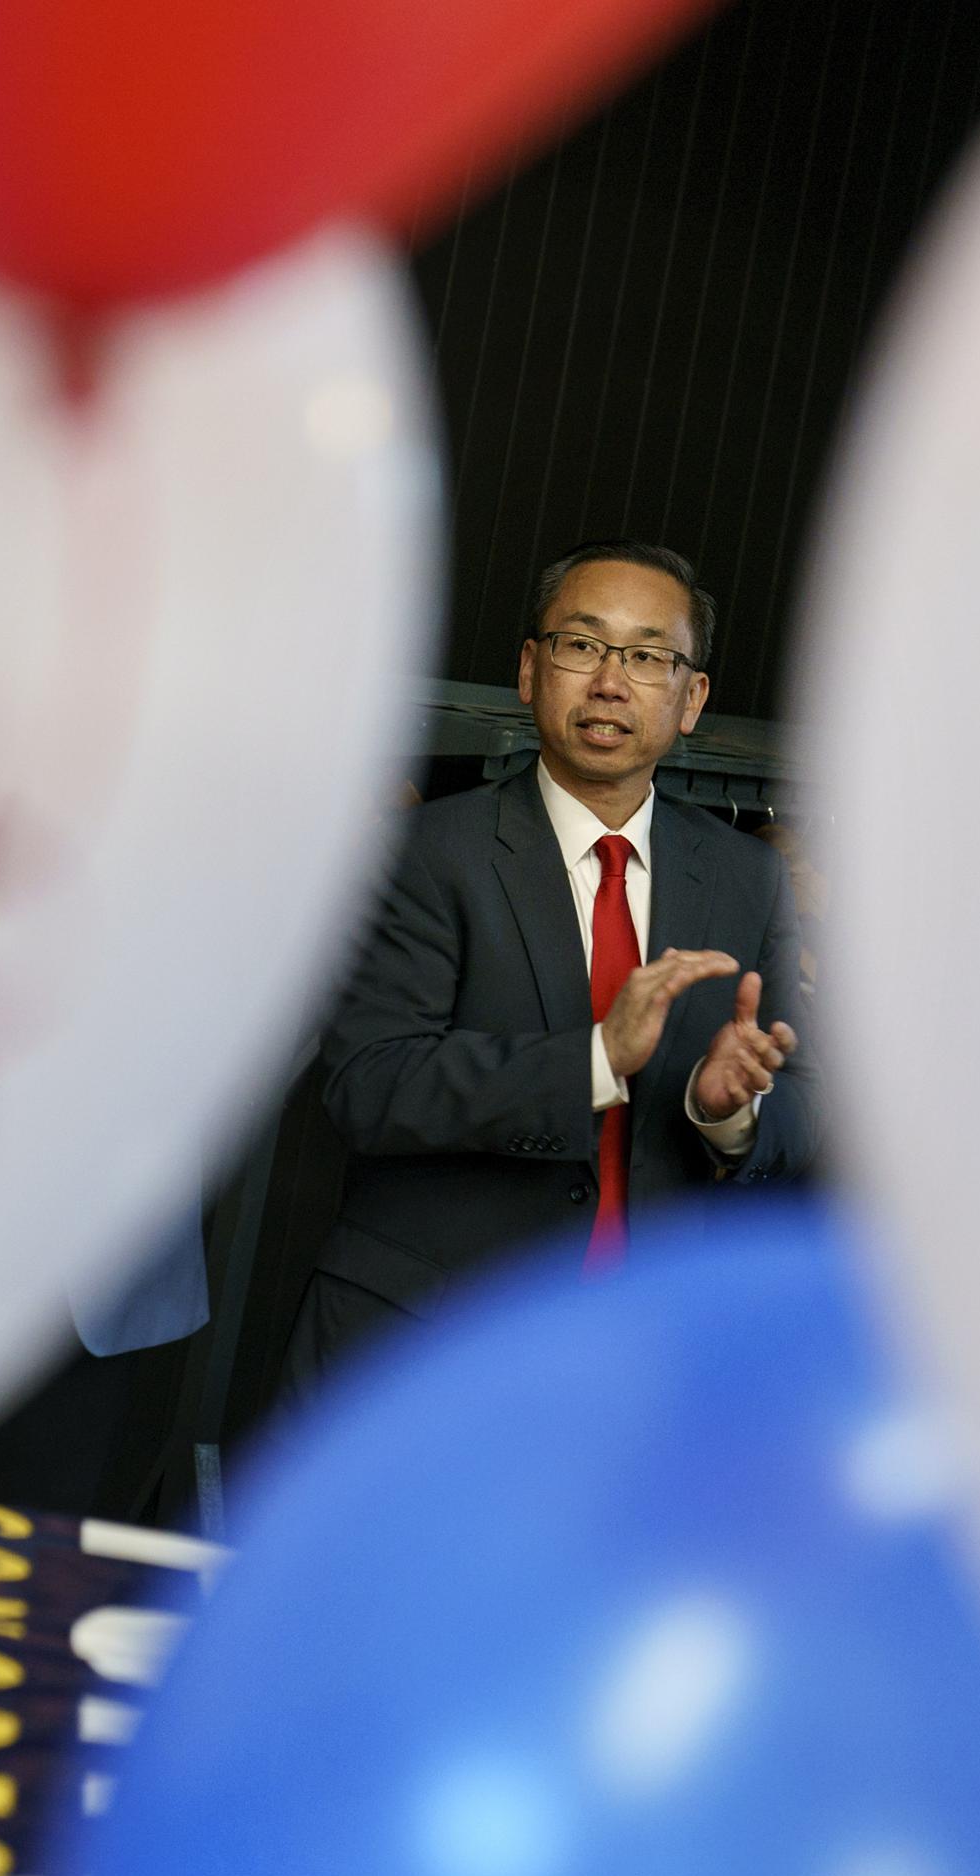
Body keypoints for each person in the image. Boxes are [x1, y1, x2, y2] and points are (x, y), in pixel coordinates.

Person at [286, 541, 819, 1386]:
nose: (612, 681)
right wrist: (598, 1058)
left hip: (642, 1351)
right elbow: (370, 1082)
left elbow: (807, 1104)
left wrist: (727, 1112)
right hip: (428, 1340)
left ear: (692, 699)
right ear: (531, 670)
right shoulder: (426, 854)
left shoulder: (745, 876)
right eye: (582, 645)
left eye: (649, 656)